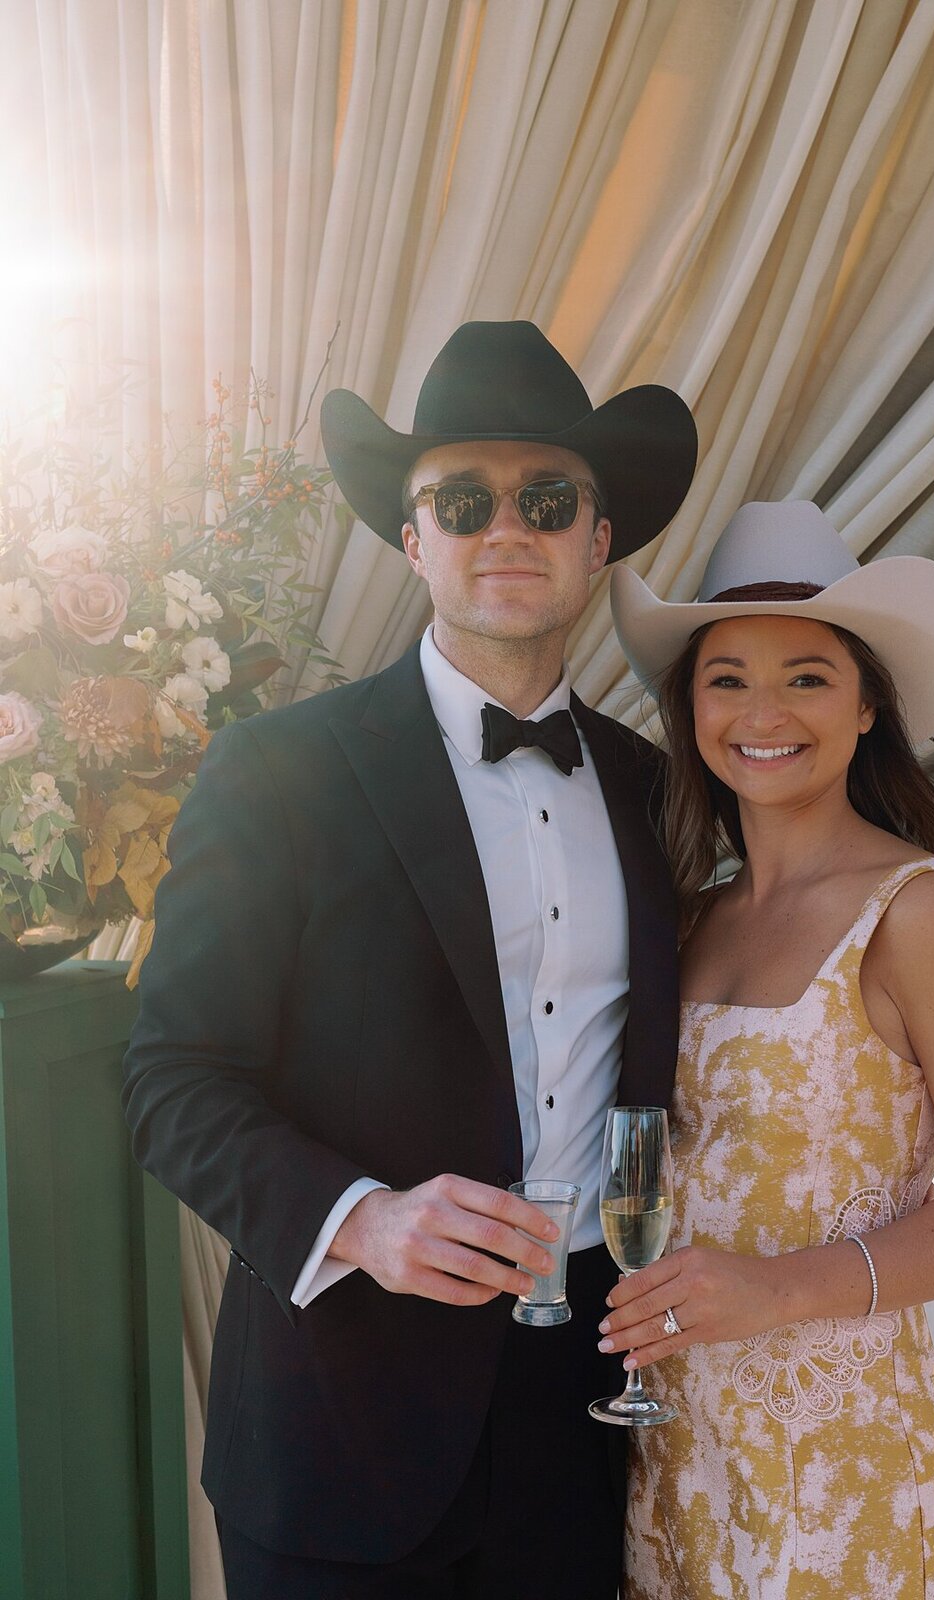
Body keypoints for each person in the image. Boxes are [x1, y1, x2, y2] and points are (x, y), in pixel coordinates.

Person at [122, 320, 697, 1599]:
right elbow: (173, 1078)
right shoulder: (275, 772)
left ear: (600, 540)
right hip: (342, 1433)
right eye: (463, 498)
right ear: (412, 535)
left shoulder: (656, 791)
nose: (509, 528)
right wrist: (363, 1221)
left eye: (549, 499)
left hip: (586, 1424)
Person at [603, 500, 934, 1599]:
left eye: (807, 675)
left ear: (866, 710)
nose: (765, 710)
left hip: (844, 1467)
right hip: (674, 1451)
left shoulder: (922, 914)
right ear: (689, 709)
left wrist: (779, 1291)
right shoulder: (689, 917)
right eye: (728, 678)